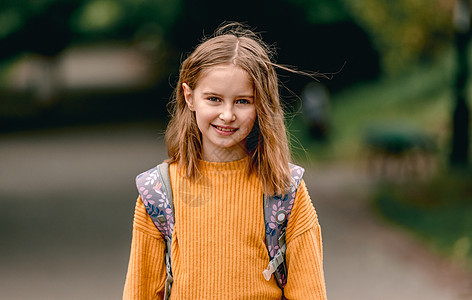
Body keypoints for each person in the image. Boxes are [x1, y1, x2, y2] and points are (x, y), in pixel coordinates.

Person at [123, 23, 327, 299]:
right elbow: (141, 291)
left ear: (261, 105)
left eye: (243, 101)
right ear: (189, 96)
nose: (227, 114)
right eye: (214, 99)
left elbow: (309, 292)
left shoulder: (285, 191)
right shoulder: (159, 191)